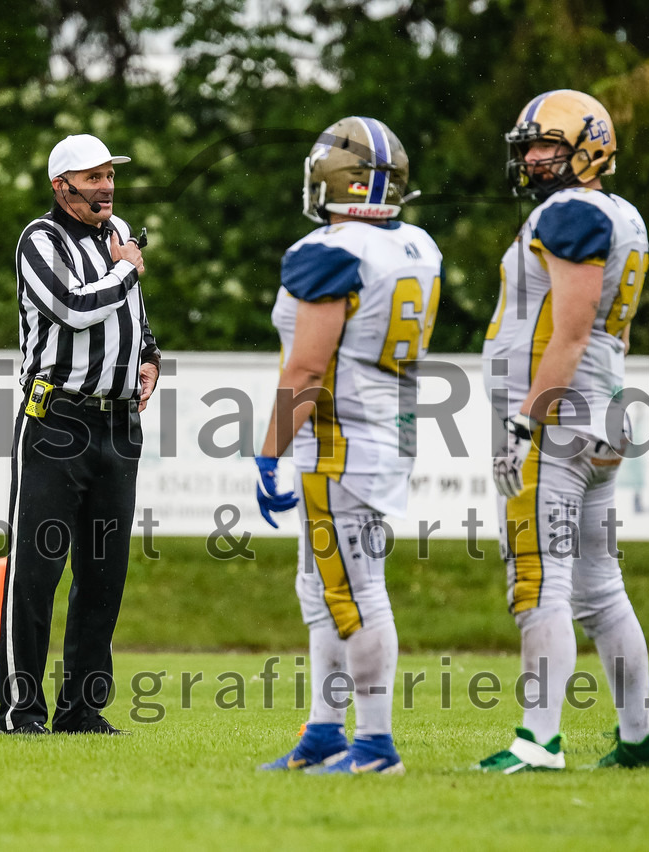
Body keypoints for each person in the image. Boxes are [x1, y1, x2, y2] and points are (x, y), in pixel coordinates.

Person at [477, 90, 649, 770]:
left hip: (558, 418)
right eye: (527, 145)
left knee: (539, 582)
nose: (531, 158)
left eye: (546, 145)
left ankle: (538, 740)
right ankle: (639, 739)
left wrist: (525, 421)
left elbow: (572, 328)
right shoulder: (622, 214)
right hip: (599, 410)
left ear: (588, 146)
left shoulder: (571, 211)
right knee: (598, 587)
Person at [255, 116, 442, 775]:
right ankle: (327, 730)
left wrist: (270, 447)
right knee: (322, 586)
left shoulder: (332, 251)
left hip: (341, 438)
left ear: (342, 181)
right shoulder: (415, 245)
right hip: (384, 426)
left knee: (354, 591)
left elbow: (306, 367)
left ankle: (375, 744)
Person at [0, 134, 160, 735]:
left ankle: (82, 709)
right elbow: (72, 307)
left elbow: (132, 315)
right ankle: (21, 711)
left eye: (109, 175)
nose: (106, 187)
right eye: (91, 178)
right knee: (35, 573)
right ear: (60, 187)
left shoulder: (120, 238)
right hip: (56, 421)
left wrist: (149, 356)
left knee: (103, 573)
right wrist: (125, 268)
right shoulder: (40, 240)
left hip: (118, 424)